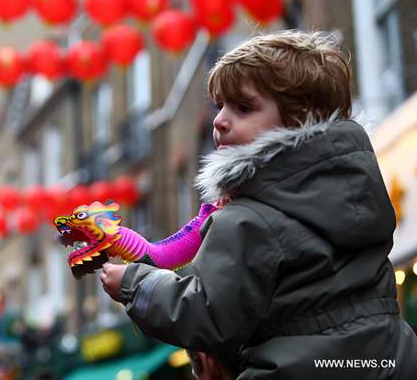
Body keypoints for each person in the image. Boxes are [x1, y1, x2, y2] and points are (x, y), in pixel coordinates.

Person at [100, 30, 417, 379]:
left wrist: (135, 285)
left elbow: (209, 311)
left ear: (299, 117)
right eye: (220, 105)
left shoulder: (248, 219)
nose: (220, 119)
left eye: (243, 107)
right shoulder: (358, 192)